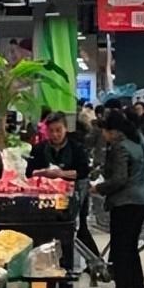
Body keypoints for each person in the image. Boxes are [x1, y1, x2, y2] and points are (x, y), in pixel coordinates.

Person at [92, 108, 144, 288]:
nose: (103, 135)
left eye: (105, 131)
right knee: (130, 246)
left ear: (113, 131)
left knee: (121, 247)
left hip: (125, 201)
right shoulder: (137, 142)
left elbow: (119, 179)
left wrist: (99, 188)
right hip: (141, 199)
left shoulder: (119, 147)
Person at [27, 111, 100, 258]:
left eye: (58, 130)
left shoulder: (76, 148)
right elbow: (29, 172)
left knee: (78, 228)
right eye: (51, 131)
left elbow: (83, 172)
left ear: (66, 129)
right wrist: (44, 173)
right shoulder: (39, 149)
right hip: (47, 199)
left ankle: (92, 261)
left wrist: (61, 174)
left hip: (74, 196)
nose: (55, 134)